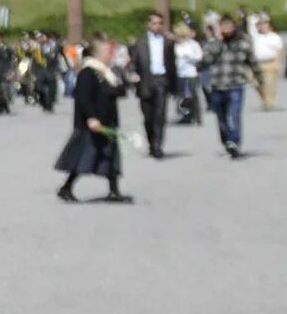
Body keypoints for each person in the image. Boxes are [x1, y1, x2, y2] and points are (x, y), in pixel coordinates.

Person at [55, 33, 132, 204]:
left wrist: (126, 81)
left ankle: (113, 191)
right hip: (92, 122)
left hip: (108, 120)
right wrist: (91, 117)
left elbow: (116, 91)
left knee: (111, 156)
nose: (110, 54)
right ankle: (66, 187)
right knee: (85, 156)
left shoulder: (107, 72)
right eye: (107, 51)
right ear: (97, 54)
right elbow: (83, 98)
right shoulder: (88, 72)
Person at [200, 9, 255, 159]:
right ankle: (227, 141)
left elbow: (252, 61)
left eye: (229, 26)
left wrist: (259, 79)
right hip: (218, 85)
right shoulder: (214, 44)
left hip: (236, 84)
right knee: (221, 118)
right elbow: (204, 62)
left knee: (234, 115)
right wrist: (217, 42)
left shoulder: (243, 42)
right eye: (223, 26)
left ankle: (234, 142)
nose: (226, 29)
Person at [130, 11, 177, 159]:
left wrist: (175, 85)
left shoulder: (168, 42)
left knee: (160, 115)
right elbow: (133, 61)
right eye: (154, 23)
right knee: (148, 116)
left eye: (160, 23)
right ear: (149, 24)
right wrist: (132, 73)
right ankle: (151, 142)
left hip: (161, 80)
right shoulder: (140, 42)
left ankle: (157, 146)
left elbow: (172, 64)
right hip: (145, 81)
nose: (157, 26)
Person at [173, 17, 206, 126]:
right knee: (181, 97)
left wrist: (189, 57)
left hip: (191, 73)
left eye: (181, 36)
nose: (179, 38)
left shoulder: (193, 44)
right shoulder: (176, 46)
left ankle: (197, 116)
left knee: (193, 96)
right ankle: (185, 115)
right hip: (180, 74)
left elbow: (199, 56)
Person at [251, 12, 282, 111]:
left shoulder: (274, 37)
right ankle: (265, 99)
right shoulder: (255, 37)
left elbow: (278, 50)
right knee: (256, 83)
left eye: (264, 24)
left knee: (269, 84)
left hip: (270, 62)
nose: (262, 26)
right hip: (258, 63)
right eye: (259, 24)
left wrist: (277, 63)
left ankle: (269, 103)